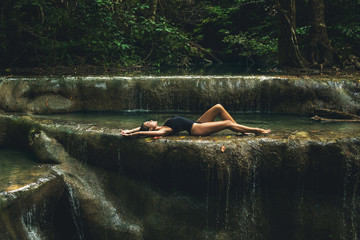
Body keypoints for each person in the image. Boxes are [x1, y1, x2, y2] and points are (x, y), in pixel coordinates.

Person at [121, 104, 271, 137]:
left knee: (218, 107)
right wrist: (134, 135)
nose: (150, 120)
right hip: (196, 130)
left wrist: (130, 130)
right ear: (152, 129)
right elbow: (144, 133)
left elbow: (141, 129)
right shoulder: (163, 130)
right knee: (227, 124)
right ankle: (256, 130)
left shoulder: (162, 125)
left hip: (197, 123)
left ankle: (240, 129)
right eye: (149, 123)